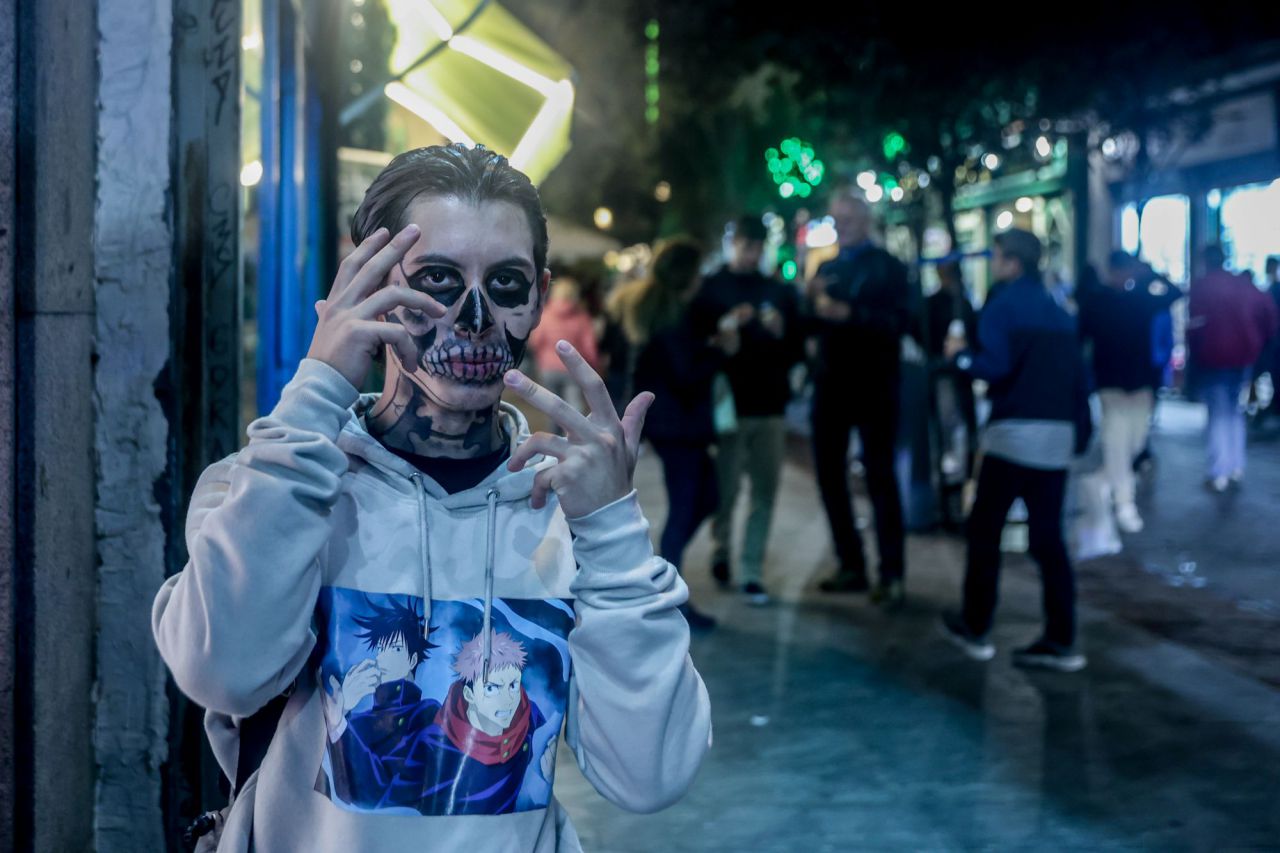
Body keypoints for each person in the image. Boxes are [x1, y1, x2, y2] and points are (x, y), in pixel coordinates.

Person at [152, 144, 711, 852]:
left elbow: (650, 775)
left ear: (538, 296)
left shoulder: (569, 518)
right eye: (439, 280)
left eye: (505, 283)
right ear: (372, 285)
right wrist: (317, 390)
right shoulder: (272, 485)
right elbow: (222, 673)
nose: (475, 317)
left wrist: (613, 528)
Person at [939, 228, 1093, 672]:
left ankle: (976, 626)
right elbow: (1080, 377)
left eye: (997, 256)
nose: (994, 264)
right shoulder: (1058, 309)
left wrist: (959, 357)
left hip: (1012, 435)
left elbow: (994, 366)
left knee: (984, 531)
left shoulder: (1003, 306)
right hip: (1056, 437)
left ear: (1012, 262)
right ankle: (1061, 638)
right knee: (1048, 539)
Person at [613, 237, 743, 630]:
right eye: (698, 271)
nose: (703, 278)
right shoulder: (671, 316)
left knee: (707, 496)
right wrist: (721, 350)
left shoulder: (664, 309)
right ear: (686, 275)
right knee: (689, 504)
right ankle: (667, 592)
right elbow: (686, 374)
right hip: (678, 426)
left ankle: (663, 576)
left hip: (674, 425)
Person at [807, 191, 911, 607]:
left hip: (875, 386)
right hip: (832, 385)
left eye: (848, 219)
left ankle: (891, 572)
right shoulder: (827, 268)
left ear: (866, 220)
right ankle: (851, 564)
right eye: (837, 220)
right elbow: (809, 326)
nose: (842, 227)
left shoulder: (889, 267)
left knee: (880, 477)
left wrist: (850, 316)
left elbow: (901, 323)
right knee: (829, 476)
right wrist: (807, 302)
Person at [693, 215, 803, 605]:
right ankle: (721, 549)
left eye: (756, 246)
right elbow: (696, 341)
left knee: (764, 492)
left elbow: (796, 346)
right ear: (733, 242)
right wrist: (725, 329)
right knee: (727, 489)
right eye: (745, 245)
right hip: (729, 406)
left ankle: (752, 570)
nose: (750, 253)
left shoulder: (777, 289)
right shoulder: (712, 287)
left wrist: (781, 332)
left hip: (770, 404)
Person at [1077, 251, 1182, 533]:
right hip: (1110, 382)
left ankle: (1101, 482)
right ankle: (1124, 502)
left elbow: (1175, 293)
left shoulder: (1141, 298)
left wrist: (1149, 273)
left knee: (1134, 443)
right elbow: (1080, 337)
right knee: (1116, 442)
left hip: (1140, 383)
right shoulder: (1096, 300)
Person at [1187, 245, 1278, 491]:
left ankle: (1219, 471)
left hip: (1214, 359)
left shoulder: (1203, 286)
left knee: (1219, 413)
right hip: (1243, 358)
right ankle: (1236, 465)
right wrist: (1258, 344)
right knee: (1234, 411)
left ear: (1205, 261)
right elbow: (1269, 314)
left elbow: (1194, 326)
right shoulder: (1242, 285)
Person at [925, 257, 979, 524]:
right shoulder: (939, 304)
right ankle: (950, 489)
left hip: (956, 377)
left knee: (959, 434)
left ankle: (957, 489)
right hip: (946, 377)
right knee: (951, 433)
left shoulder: (961, 303)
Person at [528, 275, 600, 418]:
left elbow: (535, 342)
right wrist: (595, 364)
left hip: (548, 368)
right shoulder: (582, 317)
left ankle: (555, 431)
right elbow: (589, 346)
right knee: (575, 407)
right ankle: (575, 431)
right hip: (572, 368)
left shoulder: (545, 314)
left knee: (552, 408)